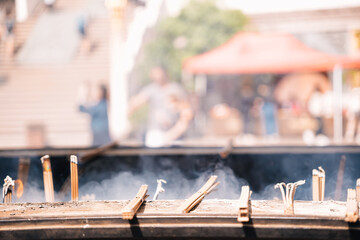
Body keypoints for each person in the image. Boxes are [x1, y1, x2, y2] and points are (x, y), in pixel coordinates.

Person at [128, 67, 192, 146]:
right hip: (156, 134)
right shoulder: (151, 89)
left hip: (175, 135)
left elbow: (186, 113)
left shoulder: (175, 89)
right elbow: (135, 103)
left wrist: (175, 132)